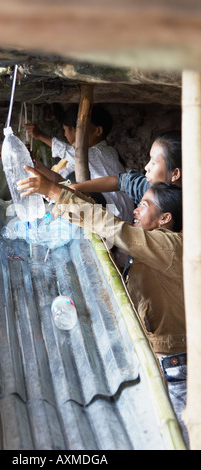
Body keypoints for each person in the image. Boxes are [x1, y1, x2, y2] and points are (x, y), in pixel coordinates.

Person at [17, 168, 189, 448]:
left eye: (144, 205)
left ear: (165, 219)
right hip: (163, 357)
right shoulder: (155, 245)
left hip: (175, 365)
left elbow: (114, 228)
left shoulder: (169, 247)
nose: (135, 209)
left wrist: (54, 191)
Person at [25, 105, 134, 223]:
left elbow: (70, 152)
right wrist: (36, 164)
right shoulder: (83, 162)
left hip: (118, 214)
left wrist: (40, 136)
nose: (66, 134)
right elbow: (61, 179)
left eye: (67, 130)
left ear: (98, 131)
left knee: (73, 193)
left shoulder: (103, 152)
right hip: (108, 214)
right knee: (68, 184)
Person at [68, 130, 182, 206]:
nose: (147, 167)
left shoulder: (190, 209)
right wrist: (77, 187)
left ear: (175, 174)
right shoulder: (146, 186)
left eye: (154, 162)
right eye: (149, 160)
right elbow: (119, 181)